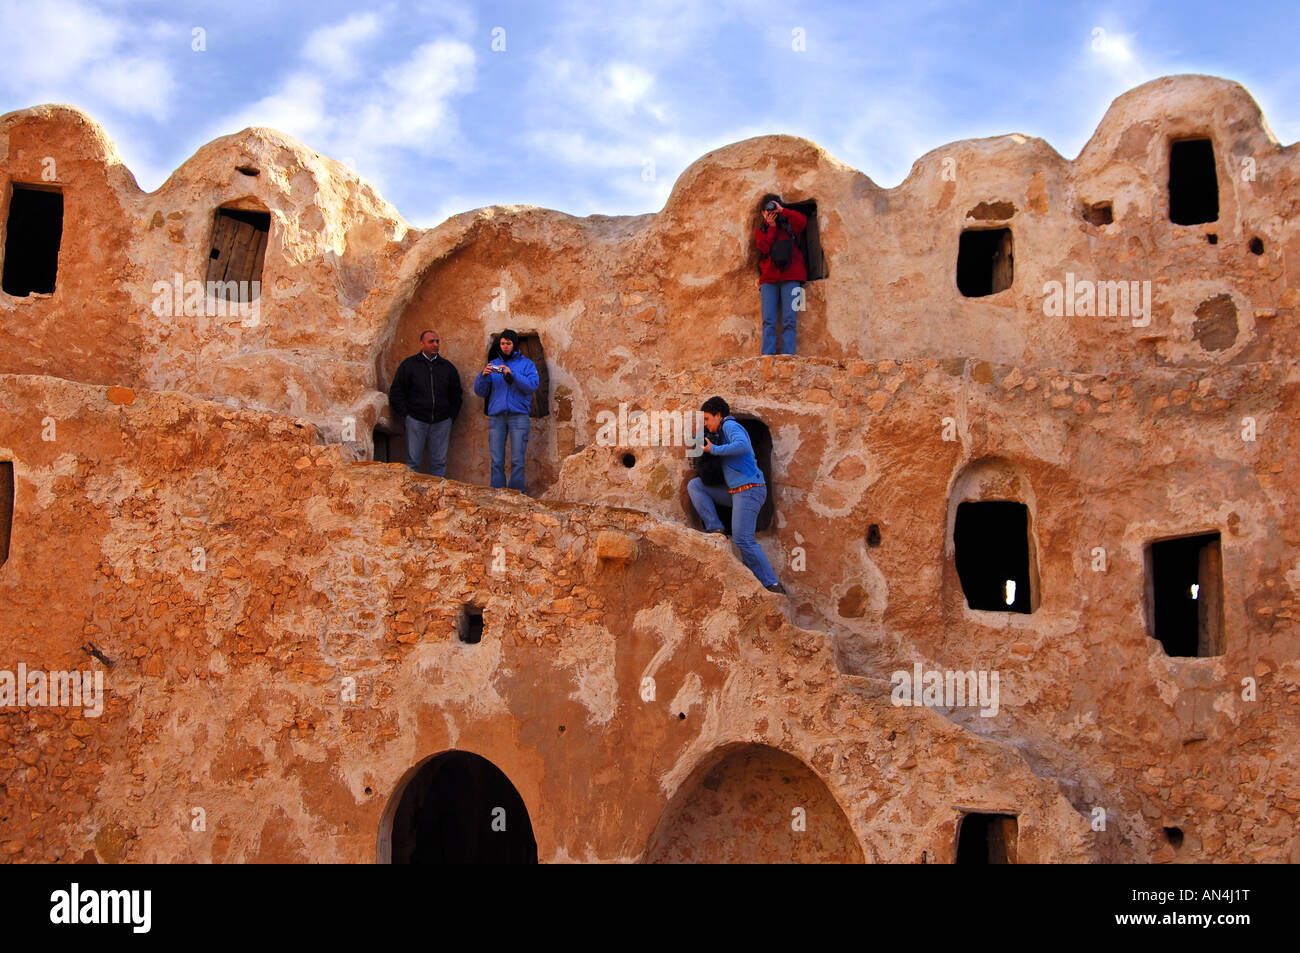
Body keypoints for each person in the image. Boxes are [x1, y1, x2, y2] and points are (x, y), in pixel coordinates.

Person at [687, 396, 786, 594]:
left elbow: (742, 445)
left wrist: (713, 449)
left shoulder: (730, 426)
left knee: (743, 539)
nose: (706, 423)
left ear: (718, 415)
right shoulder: (719, 433)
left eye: (707, 419)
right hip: (736, 493)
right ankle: (715, 527)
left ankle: (772, 584)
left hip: (750, 489)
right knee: (695, 485)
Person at [388, 329, 462, 476]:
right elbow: (397, 392)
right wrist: (406, 415)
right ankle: (412, 496)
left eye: (437, 341)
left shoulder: (447, 367)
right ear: (422, 344)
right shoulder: (409, 366)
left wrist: (450, 417)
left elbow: (456, 394)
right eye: (431, 341)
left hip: (441, 422)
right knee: (412, 462)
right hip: (416, 420)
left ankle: (437, 495)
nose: (435, 344)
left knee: (439, 462)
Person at [474, 328, 540, 492]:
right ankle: (496, 493)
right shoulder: (494, 364)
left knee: (517, 459)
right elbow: (480, 392)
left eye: (508, 343)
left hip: (518, 416)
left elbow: (532, 386)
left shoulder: (527, 364)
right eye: (502, 343)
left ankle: (516, 494)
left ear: (514, 344)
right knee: (496, 460)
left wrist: (513, 374)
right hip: (497, 417)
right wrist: (482, 375)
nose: (505, 346)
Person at [753, 193, 808, 355]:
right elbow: (764, 248)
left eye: (773, 208)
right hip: (769, 281)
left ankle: (787, 357)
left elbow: (802, 222)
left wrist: (783, 211)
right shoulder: (762, 231)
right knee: (768, 321)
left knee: (790, 321)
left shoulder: (791, 225)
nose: (770, 213)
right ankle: (767, 357)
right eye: (767, 210)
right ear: (763, 213)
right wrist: (771, 228)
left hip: (792, 278)